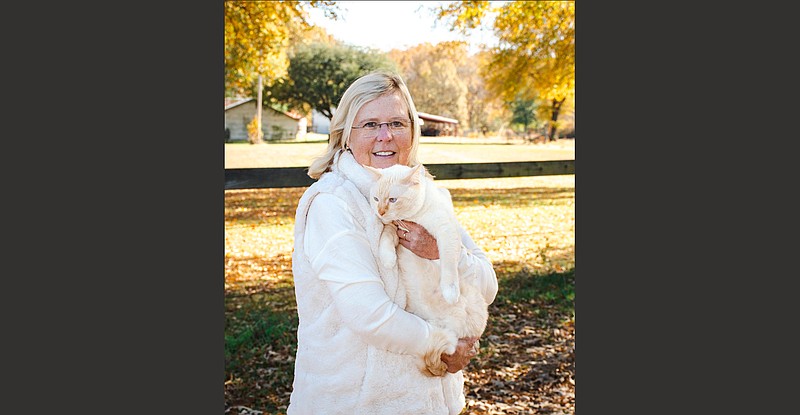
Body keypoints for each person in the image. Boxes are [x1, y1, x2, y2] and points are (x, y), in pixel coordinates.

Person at [288, 71, 498, 415]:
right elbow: (370, 315)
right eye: (370, 125)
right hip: (355, 404)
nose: (385, 136)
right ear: (345, 135)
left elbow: (487, 287)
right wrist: (447, 345)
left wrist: (442, 253)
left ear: (412, 132)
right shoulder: (332, 204)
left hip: (430, 402)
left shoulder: (426, 194)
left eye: (397, 123)